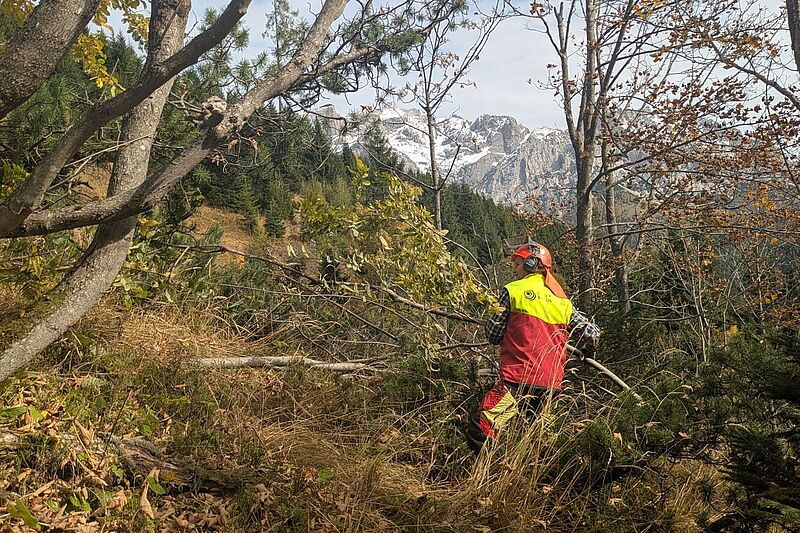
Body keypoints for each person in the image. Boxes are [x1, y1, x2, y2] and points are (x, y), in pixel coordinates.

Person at [466, 241, 600, 455]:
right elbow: (592, 332)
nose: (515, 269)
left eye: (518, 264)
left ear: (530, 263)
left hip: (516, 382)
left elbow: (493, 335)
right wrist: (588, 350)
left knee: (481, 429)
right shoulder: (562, 301)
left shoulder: (513, 291)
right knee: (535, 440)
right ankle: (532, 479)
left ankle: (497, 473)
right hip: (550, 387)